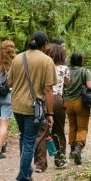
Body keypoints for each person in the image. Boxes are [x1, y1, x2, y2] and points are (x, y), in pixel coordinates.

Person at [7, 31, 56, 181]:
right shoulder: (46, 61)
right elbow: (48, 89)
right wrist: (50, 113)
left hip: (16, 106)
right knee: (29, 142)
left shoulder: (18, 58)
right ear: (45, 44)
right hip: (33, 108)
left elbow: (9, 82)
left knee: (24, 139)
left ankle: (26, 175)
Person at [34, 42, 70, 170]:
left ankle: (40, 163)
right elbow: (68, 82)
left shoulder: (42, 67)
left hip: (42, 99)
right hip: (57, 100)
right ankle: (59, 159)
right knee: (59, 130)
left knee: (42, 132)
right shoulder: (64, 68)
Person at [64, 50, 91, 165]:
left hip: (68, 102)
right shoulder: (85, 71)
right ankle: (78, 148)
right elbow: (90, 86)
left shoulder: (67, 70)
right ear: (81, 61)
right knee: (82, 127)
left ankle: (72, 149)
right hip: (80, 102)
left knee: (72, 126)